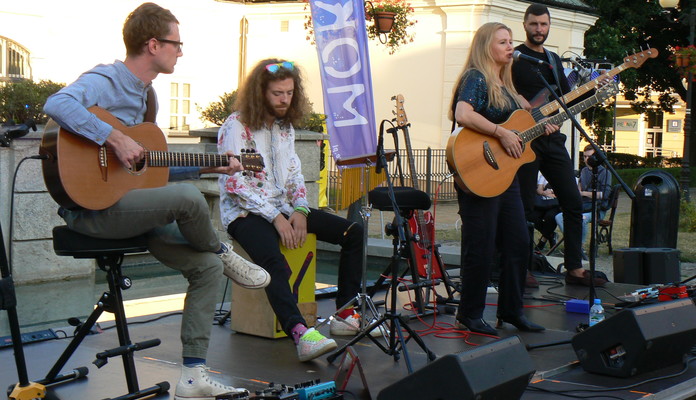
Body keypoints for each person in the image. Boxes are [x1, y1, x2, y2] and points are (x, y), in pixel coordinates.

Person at [43, 4, 271, 399]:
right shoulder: (106, 78)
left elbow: (148, 169)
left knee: (205, 270)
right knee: (187, 201)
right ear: (153, 44)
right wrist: (112, 137)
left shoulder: (148, 98)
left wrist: (211, 168)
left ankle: (193, 376)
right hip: (91, 211)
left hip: (134, 207)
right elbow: (57, 105)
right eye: (176, 43)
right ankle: (222, 249)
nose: (181, 51)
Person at [217, 58, 377, 362]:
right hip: (245, 214)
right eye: (277, 93)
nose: (284, 99)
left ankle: (345, 315)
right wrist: (276, 218)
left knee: (353, 233)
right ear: (260, 92)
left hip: (285, 207)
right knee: (275, 263)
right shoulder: (236, 126)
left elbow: (294, 175)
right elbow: (236, 184)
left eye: (289, 93)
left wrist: (301, 210)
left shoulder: (285, 127)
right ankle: (301, 333)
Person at [449, 22, 548, 336]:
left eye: (510, 42)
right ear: (486, 47)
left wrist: (542, 127)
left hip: (505, 176)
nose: (510, 47)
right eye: (503, 42)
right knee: (481, 245)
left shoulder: (506, 87)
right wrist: (500, 132)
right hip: (479, 172)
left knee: (519, 241)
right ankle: (470, 314)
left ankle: (512, 310)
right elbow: (462, 114)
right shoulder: (475, 77)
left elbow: (520, 131)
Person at [512, 3, 607, 287]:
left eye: (543, 24)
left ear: (549, 25)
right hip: (525, 141)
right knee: (525, 206)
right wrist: (518, 99)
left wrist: (595, 88)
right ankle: (524, 268)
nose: (539, 29)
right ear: (525, 25)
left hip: (553, 141)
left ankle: (575, 268)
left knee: (573, 202)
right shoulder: (515, 57)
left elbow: (567, 99)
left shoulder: (552, 60)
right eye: (534, 24)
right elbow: (500, 89)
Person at [555, 144, 612, 261]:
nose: (586, 159)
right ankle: (574, 245)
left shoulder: (605, 173)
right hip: (583, 206)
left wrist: (584, 193)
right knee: (559, 217)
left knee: (581, 219)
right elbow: (578, 190)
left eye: (589, 157)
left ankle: (578, 247)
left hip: (597, 209)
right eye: (584, 157)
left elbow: (604, 195)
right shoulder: (584, 171)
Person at [533, 172, 560, 251]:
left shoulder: (563, 174)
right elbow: (539, 190)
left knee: (550, 217)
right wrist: (544, 193)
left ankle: (543, 240)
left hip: (556, 204)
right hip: (544, 202)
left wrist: (552, 192)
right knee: (531, 216)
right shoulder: (544, 175)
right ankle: (550, 235)